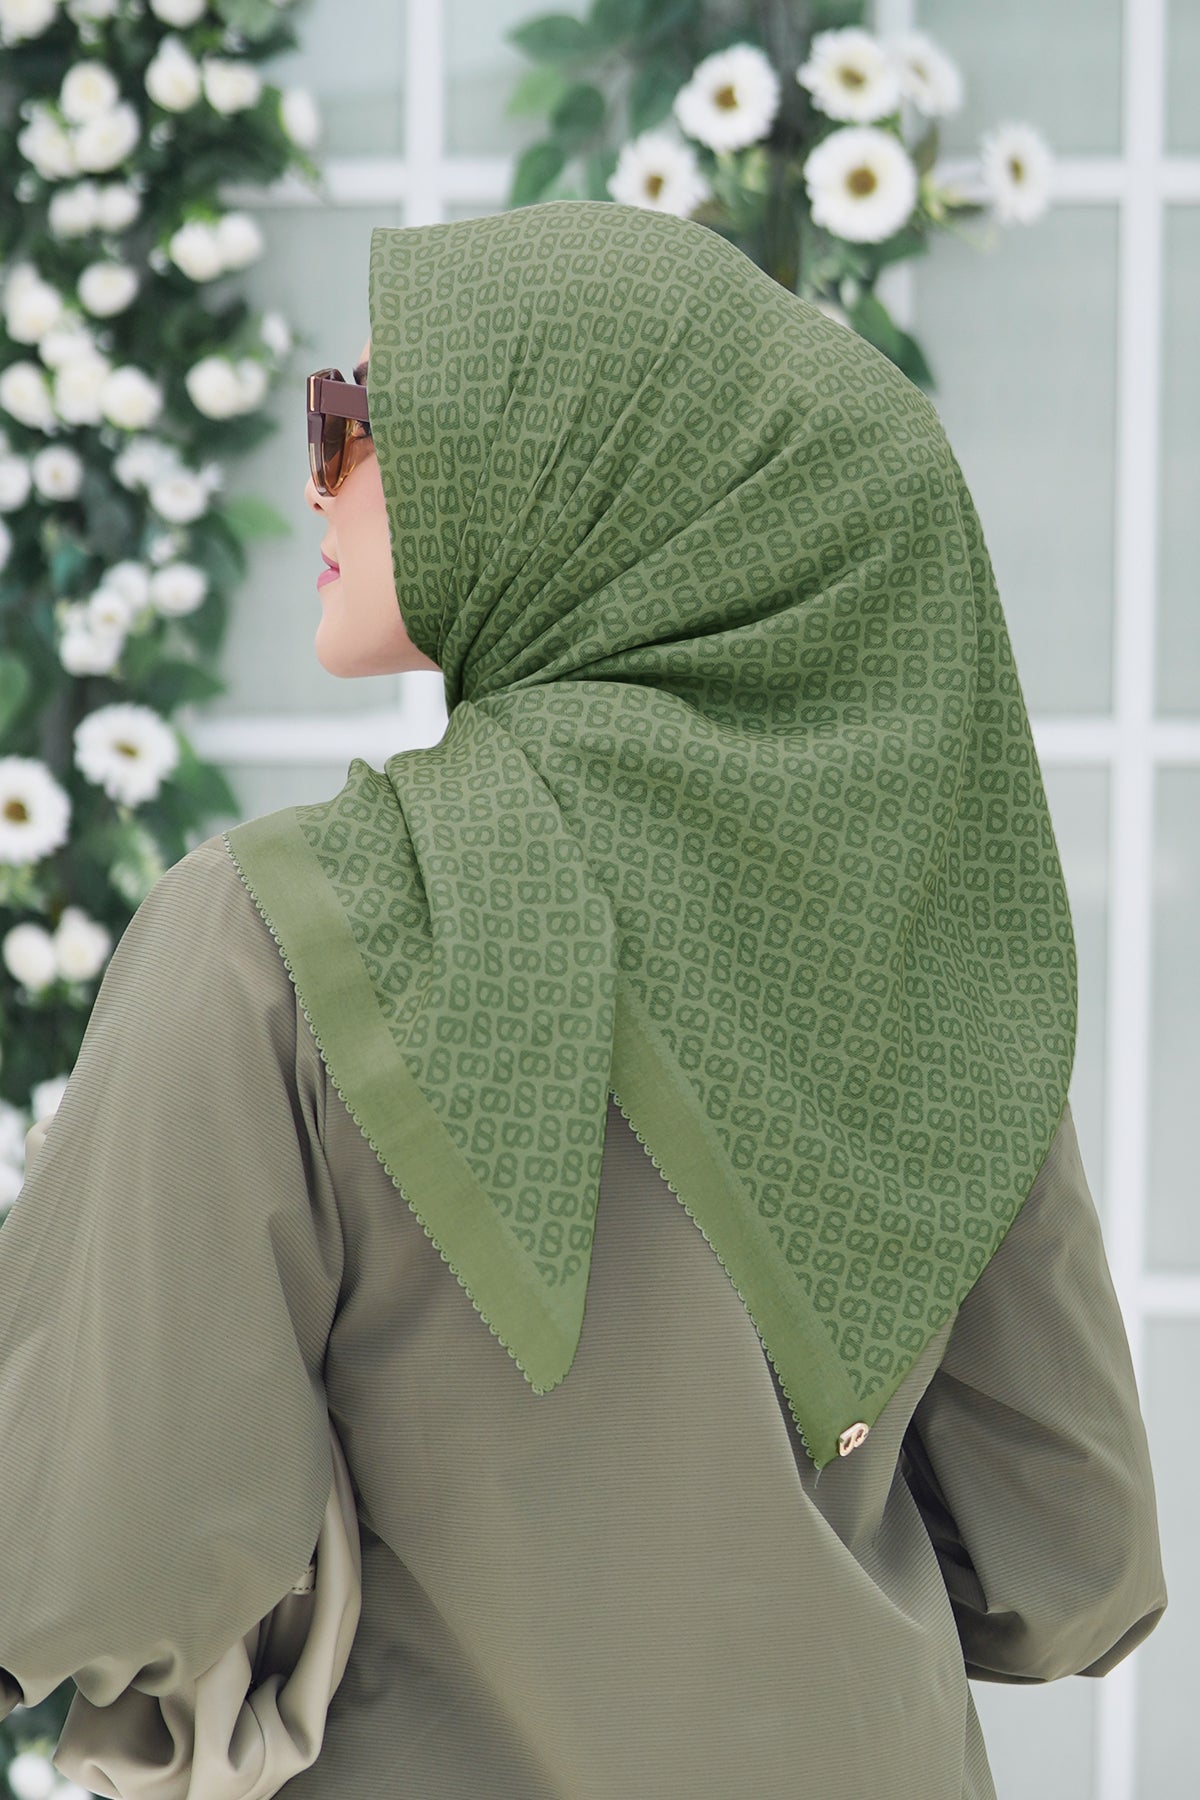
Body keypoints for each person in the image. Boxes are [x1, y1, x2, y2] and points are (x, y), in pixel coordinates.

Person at [0, 201, 1166, 1799]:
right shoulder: (915, 957)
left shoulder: (270, 938)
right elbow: (1072, 1563)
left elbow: (84, 1567)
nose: (320, 472)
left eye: (356, 419)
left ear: (574, 473)